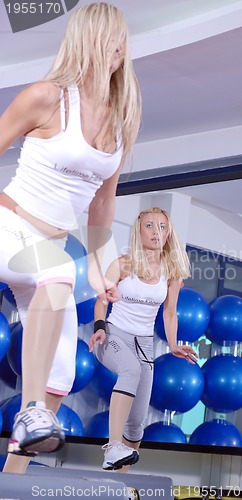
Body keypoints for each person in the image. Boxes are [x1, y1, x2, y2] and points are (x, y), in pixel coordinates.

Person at [0, 2, 141, 473]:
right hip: (8, 225)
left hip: (48, 250)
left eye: (122, 37)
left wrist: (101, 268)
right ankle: (32, 410)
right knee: (59, 272)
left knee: (59, 376)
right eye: (107, 36)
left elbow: (103, 203)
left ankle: (12, 478)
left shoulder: (121, 124)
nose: (117, 46)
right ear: (85, 39)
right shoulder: (47, 97)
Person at [89, 207, 198, 471]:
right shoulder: (123, 264)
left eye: (162, 226)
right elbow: (100, 303)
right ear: (139, 231)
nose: (156, 232)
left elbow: (170, 313)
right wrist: (100, 327)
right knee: (130, 369)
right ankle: (113, 445)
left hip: (145, 344)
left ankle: (121, 480)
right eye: (149, 226)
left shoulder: (171, 271)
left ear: (168, 232)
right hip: (113, 336)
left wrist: (172, 344)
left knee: (137, 422)